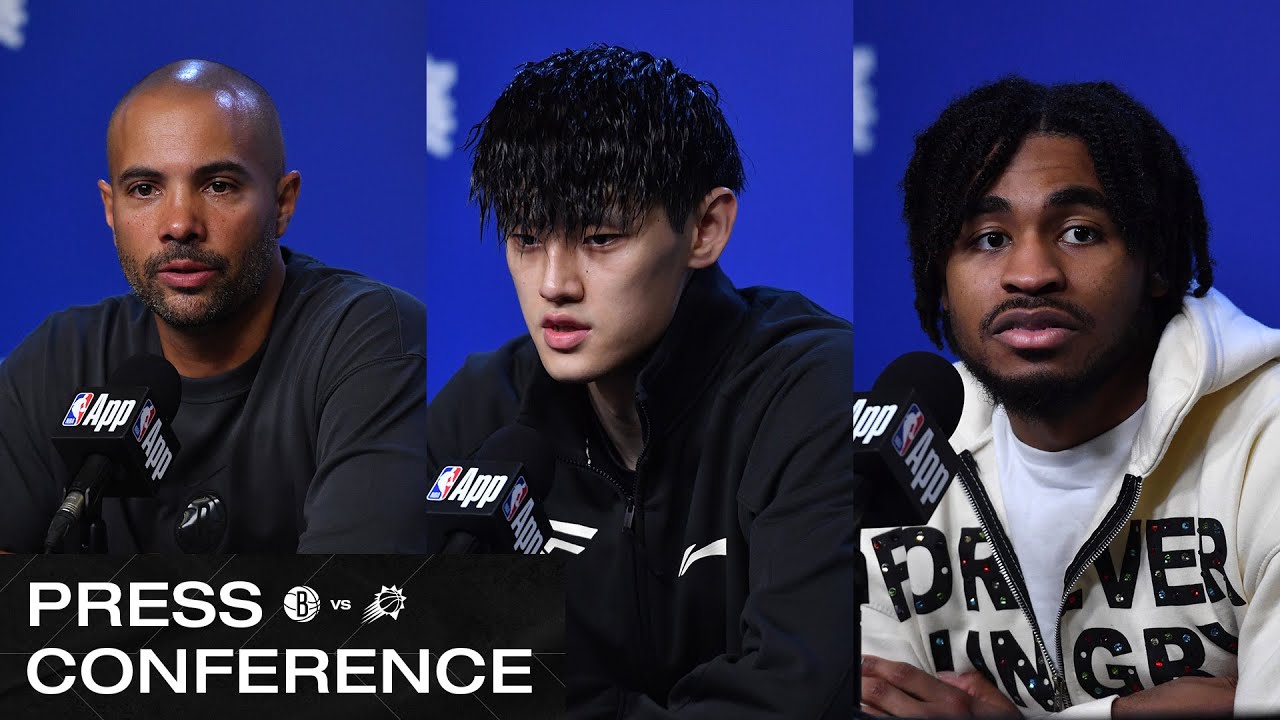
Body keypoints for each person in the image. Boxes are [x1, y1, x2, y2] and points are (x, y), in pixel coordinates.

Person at [426, 45, 855, 717]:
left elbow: (792, 700)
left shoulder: (809, 389)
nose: (554, 285)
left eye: (600, 238)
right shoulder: (484, 410)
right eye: (528, 236)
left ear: (705, 229)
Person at [858, 77, 1280, 718]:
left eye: (1080, 232)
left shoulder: (1266, 438)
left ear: (1157, 265)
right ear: (938, 278)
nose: (1031, 274)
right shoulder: (896, 460)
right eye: (988, 238)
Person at [0, 59, 428, 553]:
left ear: (283, 203)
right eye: (144, 190)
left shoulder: (373, 340)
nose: (180, 224)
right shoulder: (60, 357)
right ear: (110, 209)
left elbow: (345, 603)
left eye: (218, 185)